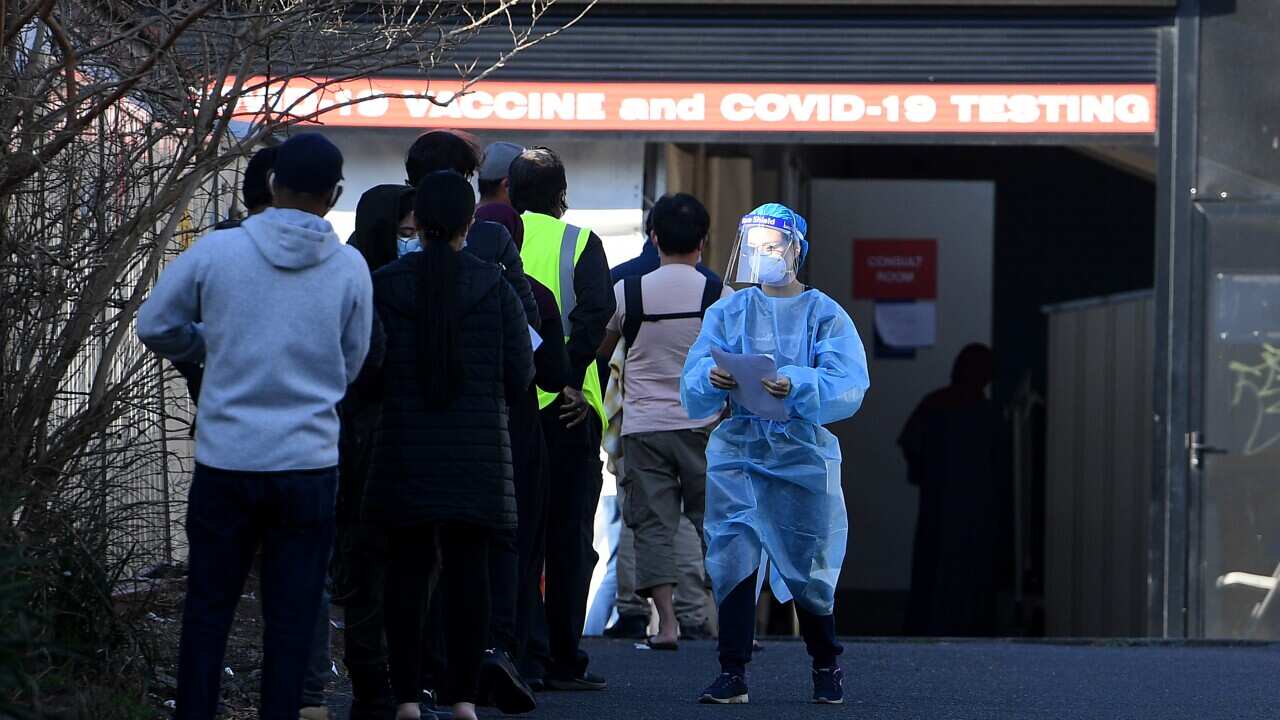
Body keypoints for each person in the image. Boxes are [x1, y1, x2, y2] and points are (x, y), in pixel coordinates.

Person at [138, 133, 372, 720]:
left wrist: (207, 346)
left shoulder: (219, 252)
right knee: (292, 618)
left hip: (227, 460)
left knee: (208, 609)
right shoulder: (349, 268)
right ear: (334, 194)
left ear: (271, 183)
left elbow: (155, 324)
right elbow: (352, 362)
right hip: (308, 464)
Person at [360, 171, 534, 720]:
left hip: (404, 449)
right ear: (469, 222)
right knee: (469, 573)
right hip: (479, 453)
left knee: (406, 573)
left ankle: (407, 699)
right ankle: (464, 700)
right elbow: (521, 373)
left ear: (417, 222)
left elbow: (367, 369)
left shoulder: (385, 284)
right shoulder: (495, 287)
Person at [681, 203, 869, 706]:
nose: (763, 256)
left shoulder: (823, 313)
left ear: (795, 250)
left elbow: (849, 382)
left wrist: (798, 384)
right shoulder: (729, 311)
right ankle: (732, 672)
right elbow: (694, 377)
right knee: (732, 556)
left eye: (772, 246)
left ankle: (826, 663)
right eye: (755, 248)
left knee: (808, 564)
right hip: (739, 450)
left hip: (800, 455)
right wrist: (711, 378)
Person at [597, 194, 730, 649]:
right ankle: (729, 622)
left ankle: (667, 625)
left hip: (644, 427)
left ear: (653, 237)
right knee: (714, 524)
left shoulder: (628, 292)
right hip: (704, 427)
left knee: (652, 526)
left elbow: (601, 350)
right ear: (703, 241)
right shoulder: (719, 296)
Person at [509, 146, 615, 691]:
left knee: (518, 536)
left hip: (512, 407)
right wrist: (569, 378)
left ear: (509, 191)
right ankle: (562, 659)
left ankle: (521, 653)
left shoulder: (495, 236)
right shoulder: (580, 241)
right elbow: (595, 313)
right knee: (569, 538)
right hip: (572, 411)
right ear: (563, 195)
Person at [334, 183, 415, 720]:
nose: (412, 241)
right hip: (360, 444)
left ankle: (390, 684)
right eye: (405, 232)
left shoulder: (390, 277)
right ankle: (372, 685)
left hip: (385, 441)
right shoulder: (355, 279)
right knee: (368, 570)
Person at [898, 343, 999, 637]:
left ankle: (929, 626)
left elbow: (910, 444)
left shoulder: (937, 404)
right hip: (974, 510)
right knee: (969, 573)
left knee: (934, 569)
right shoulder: (987, 412)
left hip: (940, 505)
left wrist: (924, 474)